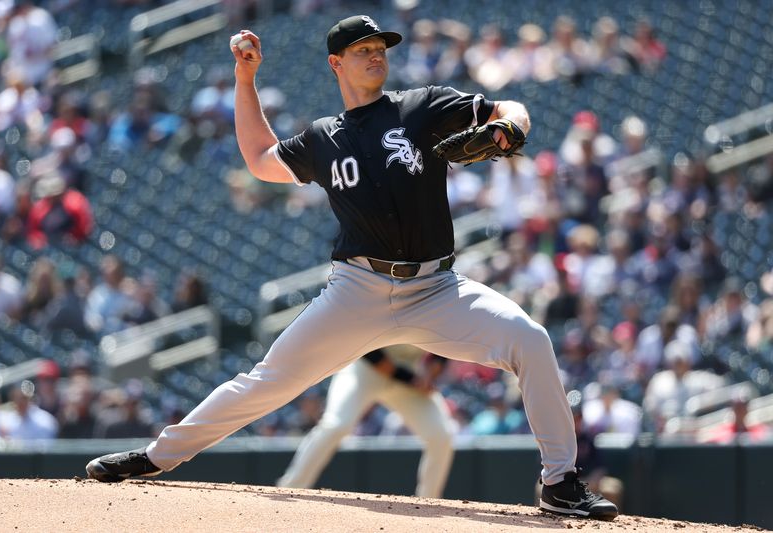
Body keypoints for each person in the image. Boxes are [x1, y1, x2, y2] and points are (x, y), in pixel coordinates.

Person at [85, 15, 617, 520]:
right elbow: (259, 159)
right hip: (356, 289)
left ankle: (559, 483)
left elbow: (511, 106)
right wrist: (244, 79)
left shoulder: (423, 106)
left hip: (436, 287)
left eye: (380, 49)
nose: (375, 56)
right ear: (335, 64)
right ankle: (159, 456)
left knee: (530, 338)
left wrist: (509, 130)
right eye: (362, 51)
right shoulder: (324, 137)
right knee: (265, 382)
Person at [277, 346, 455, 498]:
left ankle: (429, 502)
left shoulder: (437, 305)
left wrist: (433, 371)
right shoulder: (381, 304)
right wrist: (412, 380)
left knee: (441, 436)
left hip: (408, 371)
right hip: (364, 370)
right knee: (337, 425)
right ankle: (289, 488)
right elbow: (372, 355)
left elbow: (449, 338)